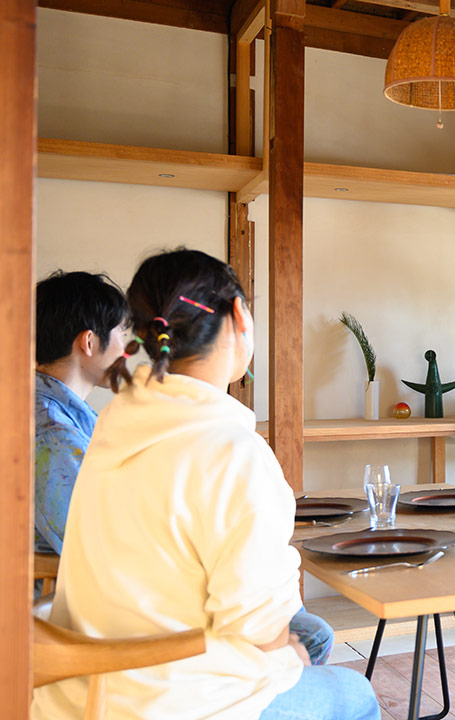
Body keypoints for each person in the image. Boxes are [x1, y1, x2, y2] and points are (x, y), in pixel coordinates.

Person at [32, 249, 379, 720]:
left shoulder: (112, 424)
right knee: (355, 695)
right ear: (240, 316)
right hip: (174, 700)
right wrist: (283, 655)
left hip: (80, 692)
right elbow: (260, 628)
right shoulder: (234, 451)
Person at [34, 271, 129, 556]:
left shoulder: (48, 412)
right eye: (121, 335)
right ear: (89, 342)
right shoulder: (54, 434)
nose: (125, 350)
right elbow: (103, 547)